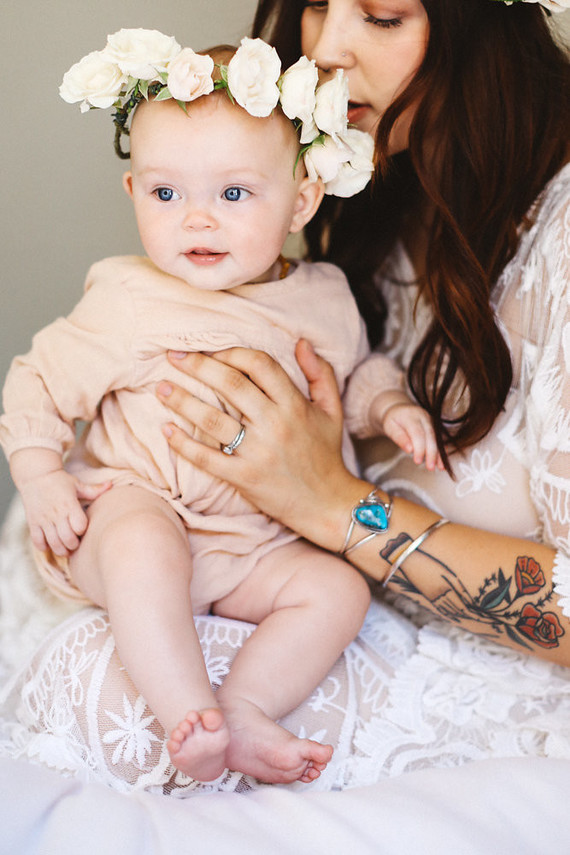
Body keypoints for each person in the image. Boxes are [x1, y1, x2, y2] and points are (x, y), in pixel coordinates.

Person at [0, 35, 380, 785]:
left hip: (253, 542)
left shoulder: (323, 298)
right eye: (166, 193)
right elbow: (35, 379)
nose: (196, 220)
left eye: (233, 194)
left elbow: (356, 374)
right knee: (140, 543)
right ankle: (186, 711)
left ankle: (244, 706)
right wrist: (41, 473)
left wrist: (389, 404)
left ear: (301, 198)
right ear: (134, 191)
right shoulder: (127, 298)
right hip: (139, 504)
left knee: (339, 589)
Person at [153, 0, 570, 668]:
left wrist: (334, 505)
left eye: (381, 16)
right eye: (316, 4)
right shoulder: (374, 180)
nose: (325, 50)